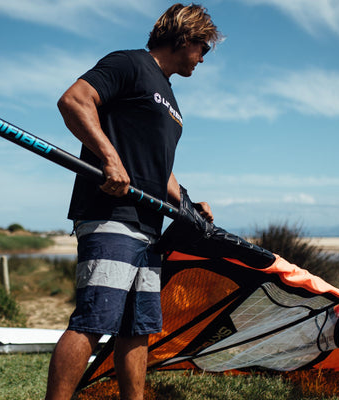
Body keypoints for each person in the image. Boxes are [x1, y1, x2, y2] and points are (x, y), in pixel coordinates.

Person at [45, 4, 221, 400]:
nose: (204, 58)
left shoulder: (172, 102)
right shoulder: (128, 64)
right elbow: (74, 100)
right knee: (93, 320)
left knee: (136, 328)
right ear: (185, 37)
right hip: (112, 217)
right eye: (203, 47)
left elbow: (161, 169)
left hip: (149, 227)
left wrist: (189, 205)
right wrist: (109, 158)